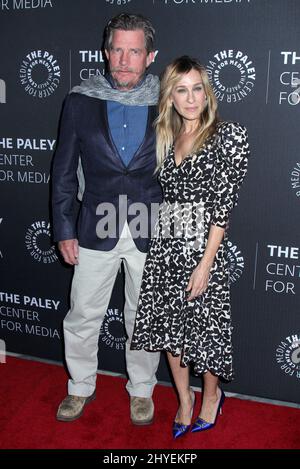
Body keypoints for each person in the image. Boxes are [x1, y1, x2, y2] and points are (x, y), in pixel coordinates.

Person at [51, 13, 162, 425]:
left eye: (134, 51)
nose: (124, 59)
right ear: (106, 51)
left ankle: (142, 391)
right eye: (117, 49)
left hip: (150, 228)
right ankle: (80, 387)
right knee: (82, 314)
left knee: (143, 317)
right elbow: (62, 171)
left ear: (149, 55)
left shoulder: (167, 101)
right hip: (94, 226)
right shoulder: (80, 102)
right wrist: (63, 229)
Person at [131, 56, 250, 438]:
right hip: (166, 247)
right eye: (181, 90)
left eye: (197, 88)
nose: (191, 97)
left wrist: (205, 263)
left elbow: (222, 207)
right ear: (170, 98)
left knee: (206, 332)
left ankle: (211, 398)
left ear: (207, 91)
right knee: (170, 332)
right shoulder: (165, 136)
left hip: (203, 249)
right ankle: (185, 401)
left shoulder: (226, 136)